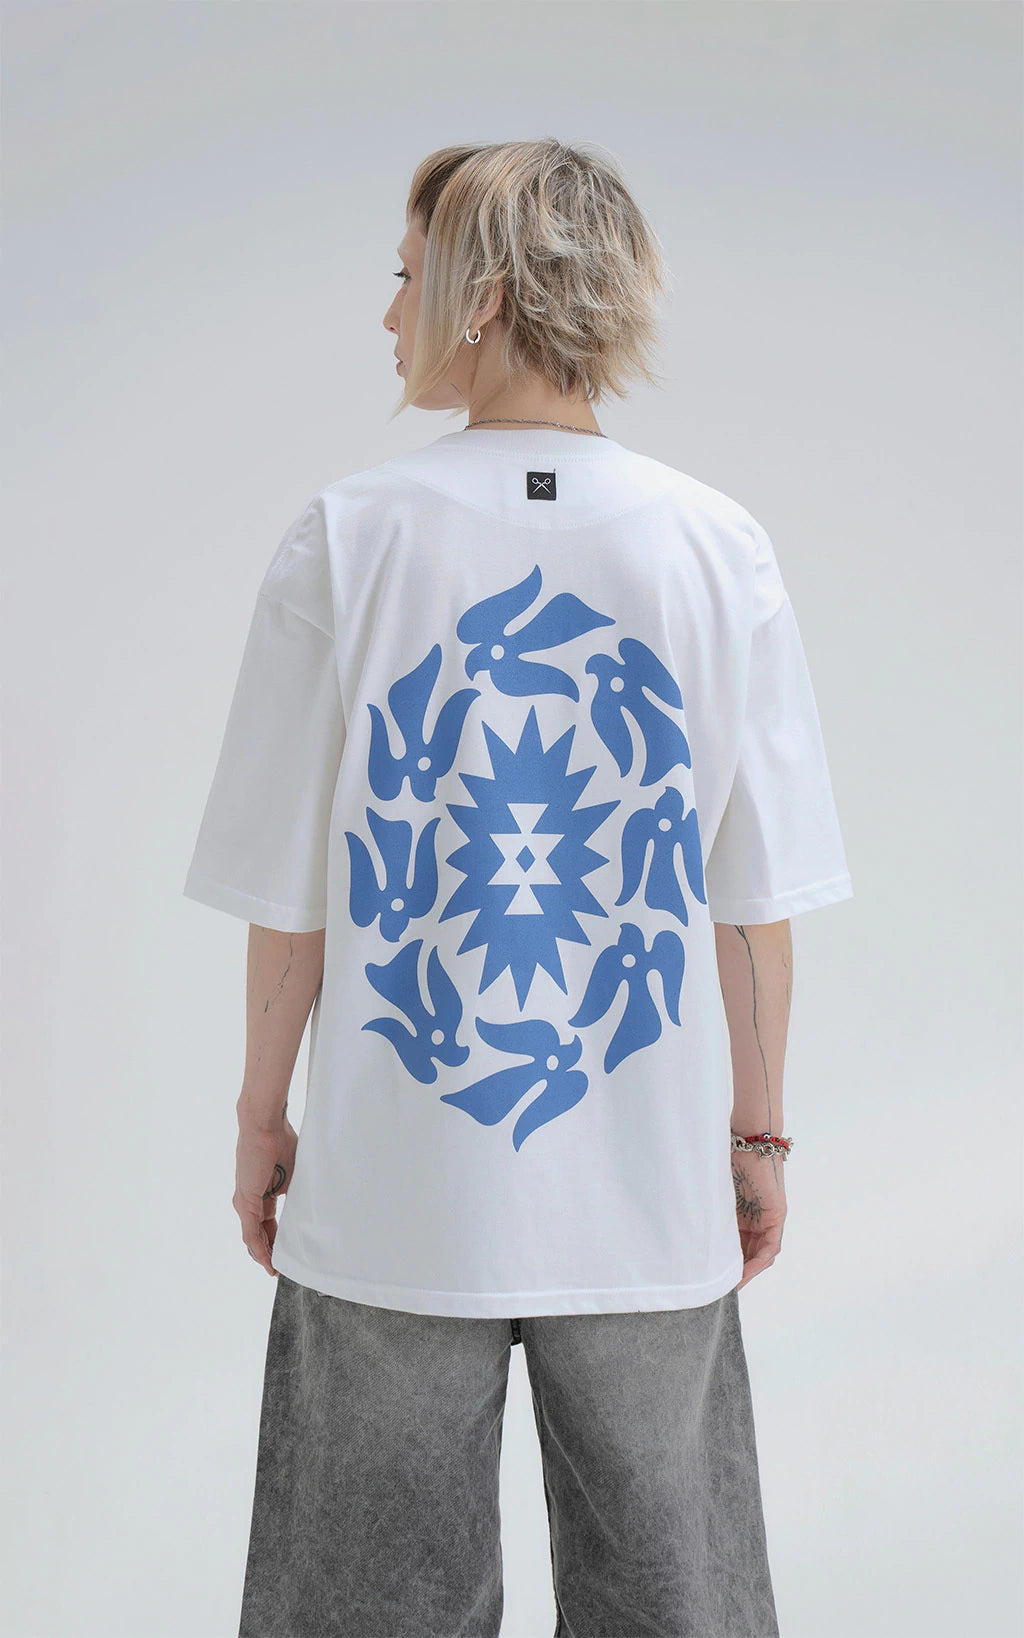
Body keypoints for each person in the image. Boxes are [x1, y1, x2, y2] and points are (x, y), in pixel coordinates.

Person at [183, 138, 853, 1638]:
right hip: (647, 1198)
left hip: (390, 1194)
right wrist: (757, 1132)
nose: (388, 314)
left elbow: (293, 893)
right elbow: (754, 901)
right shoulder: (717, 547)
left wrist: (262, 1116)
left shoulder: (346, 538)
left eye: (406, 276)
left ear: (480, 296)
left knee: (358, 1613)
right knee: (677, 1608)